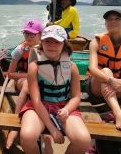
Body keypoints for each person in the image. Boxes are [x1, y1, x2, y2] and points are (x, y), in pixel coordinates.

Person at [20, 25, 91, 154]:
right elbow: (35, 100)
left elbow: (76, 97)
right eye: (47, 41)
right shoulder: (34, 67)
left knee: (84, 142)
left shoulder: (72, 67)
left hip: (63, 106)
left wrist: (66, 110)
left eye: (57, 41)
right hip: (38, 107)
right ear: (41, 42)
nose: (51, 45)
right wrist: (53, 129)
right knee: (27, 137)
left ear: (64, 44)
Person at [6, 19, 43, 149]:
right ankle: (15, 126)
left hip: (43, 83)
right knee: (28, 84)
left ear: (40, 35)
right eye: (26, 34)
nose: (28, 37)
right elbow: (10, 74)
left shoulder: (47, 49)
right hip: (23, 81)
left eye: (32, 34)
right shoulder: (19, 50)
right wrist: (30, 76)